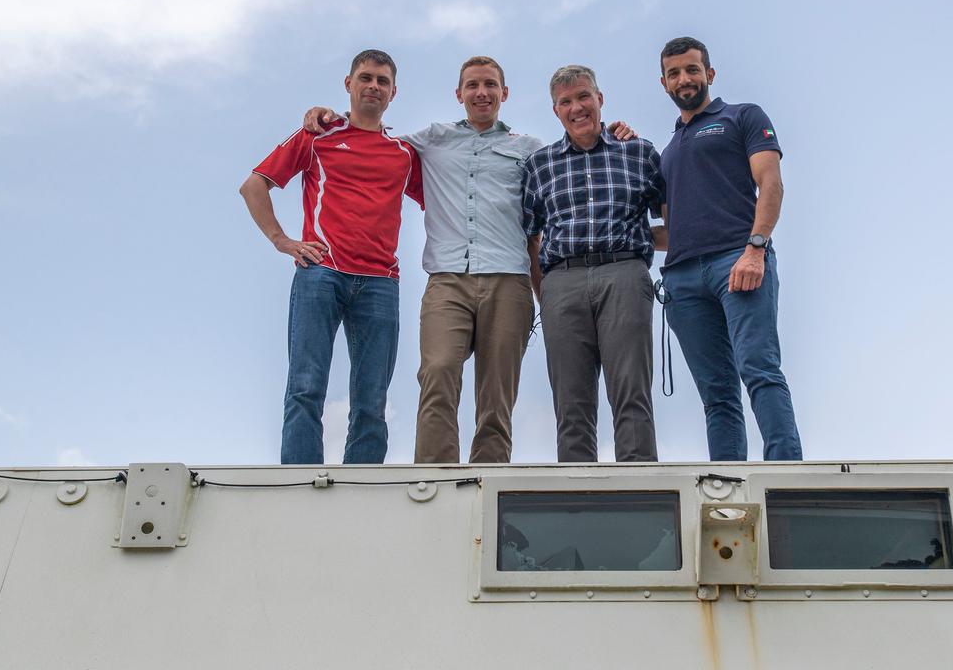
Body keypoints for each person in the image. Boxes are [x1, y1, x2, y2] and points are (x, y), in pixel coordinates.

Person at [301, 58, 637, 464]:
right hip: (448, 281)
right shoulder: (430, 140)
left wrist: (616, 131)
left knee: (497, 393)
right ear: (459, 94)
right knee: (438, 373)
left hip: (509, 281)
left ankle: (487, 478)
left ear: (504, 93)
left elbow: (544, 221)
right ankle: (436, 476)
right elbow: (372, 136)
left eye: (491, 85)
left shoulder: (530, 151)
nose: (482, 92)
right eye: (473, 85)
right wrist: (331, 116)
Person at [239, 49, 423, 465]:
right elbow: (254, 186)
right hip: (320, 274)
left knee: (372, 398)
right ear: (349, 84)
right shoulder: (318, 135)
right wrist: (282, 240)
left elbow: (443, 200)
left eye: (382, 81)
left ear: (393, 93)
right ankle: (299, 484)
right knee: (305, 386)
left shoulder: (403, 154)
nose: (373, 85)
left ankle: (362, 486)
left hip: (380, 282)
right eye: (365, 77)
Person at [656, 36, 803, 461]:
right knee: (716, 394)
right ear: (664, 82)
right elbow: (672, 228)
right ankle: (728, 484)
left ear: (709, 74)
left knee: (759, 370)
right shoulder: (666, 153)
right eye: (674, 73)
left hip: (737, 262)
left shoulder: (742, 117)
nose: (684, 79)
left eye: (692, 69)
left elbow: (770, 183)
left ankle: (786, 474)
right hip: (682, 281)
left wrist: (756, 248)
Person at [522, 65, 667, 463]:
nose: (577, 107)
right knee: (571, 402)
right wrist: (544, 293)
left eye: (583, 96)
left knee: (631, 393)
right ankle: (577, 501)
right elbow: (530, 236)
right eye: (566, 102)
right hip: (561, 281)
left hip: (624, 274)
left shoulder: (639, 152)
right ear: (556, 111)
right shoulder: (540, 165)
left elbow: (674, 222)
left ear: (600, 99)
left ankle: (641, 494)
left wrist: (636, 240)